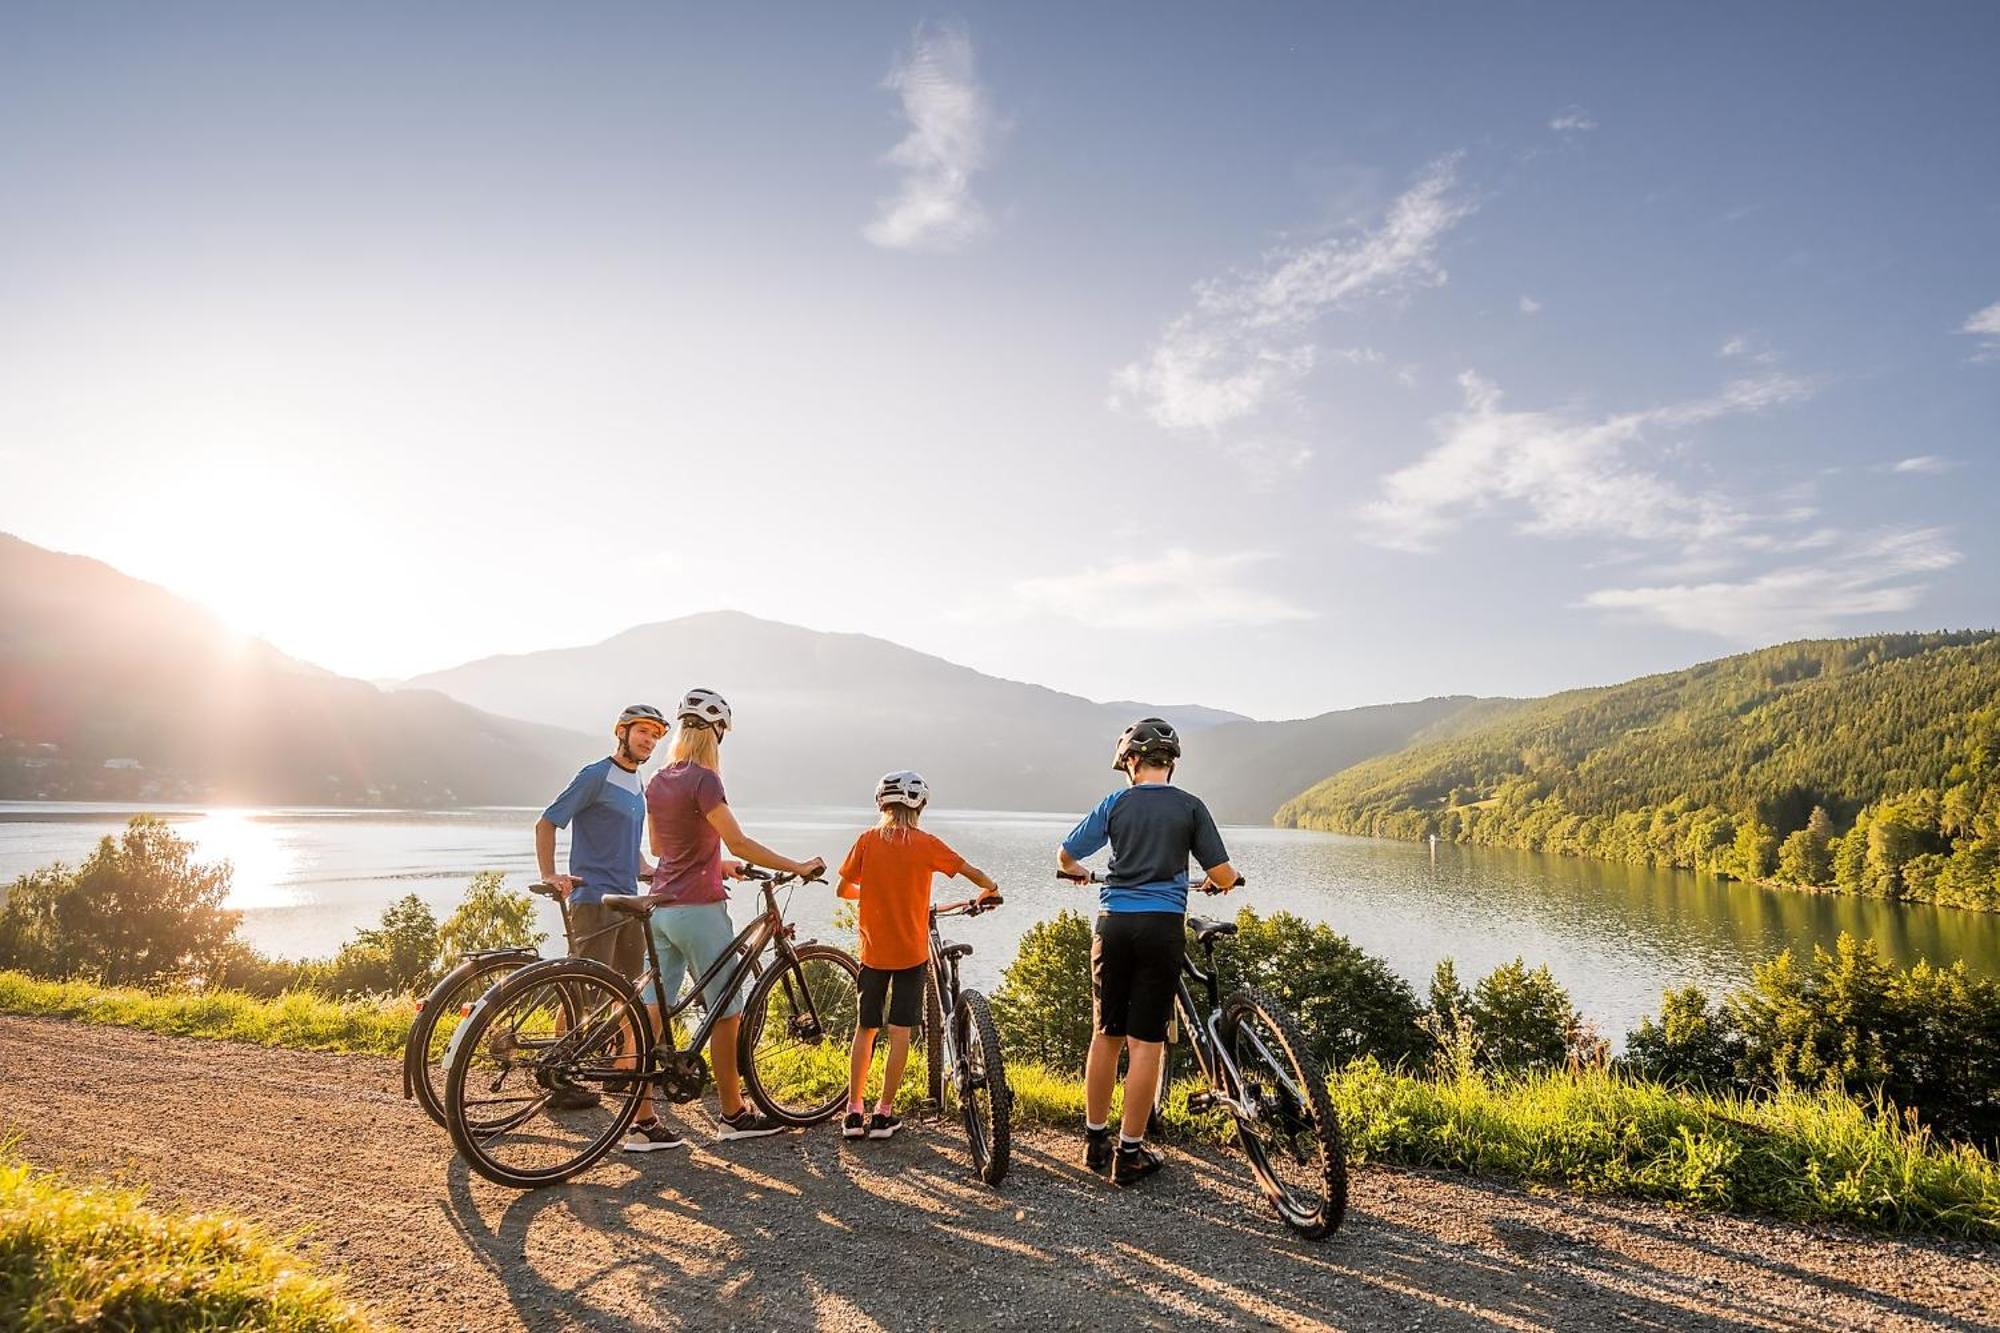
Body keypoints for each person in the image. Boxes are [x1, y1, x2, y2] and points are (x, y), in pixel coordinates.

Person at [623, 687, 828, 1150]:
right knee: (727, 1011)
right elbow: (739, 842)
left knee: (654, 1008)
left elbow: (661, 849)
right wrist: (795, 866)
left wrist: (712, 861)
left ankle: (642, 1121)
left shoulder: (658, 779)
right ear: (716, 734)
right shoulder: (704, 780)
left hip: (661, 907)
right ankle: (733, 1114)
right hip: (699, 909)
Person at [1057, 717, 1238, 1186]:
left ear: (1129, 762)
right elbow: (1221, 874)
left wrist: (1080, 872)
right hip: (1161, 928)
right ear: (1170, 764)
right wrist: (1225, 884)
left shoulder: (1116, 803)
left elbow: (1066, 856)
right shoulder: (1190, 808)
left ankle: (1095, 1142)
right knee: (1146, 1043)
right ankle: (1129, 1154)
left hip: (1113, 926)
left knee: (1106, 1035)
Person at [835, 771, 999, 1141]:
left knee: (866, 1029)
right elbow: (971, 872)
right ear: (920, 806)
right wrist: (991, 888)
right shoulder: (927, 844)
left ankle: (853, 1111)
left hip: (872, 953)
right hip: (911, 954)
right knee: (899, 1032)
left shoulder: (866, 841)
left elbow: (844, 889)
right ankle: (883, 1114)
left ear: (882, 804)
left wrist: (878, 892)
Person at [534, 703, 665, 1110]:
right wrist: (551, 874)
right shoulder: (595, 775)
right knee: (582, 990)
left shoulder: (637, 783)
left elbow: (627, 844)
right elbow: (547, 822)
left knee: (625, 991)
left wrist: (648, 869)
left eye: (655, 736)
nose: (648, 741)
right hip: (593, 899)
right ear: (622, 732)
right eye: (642, 732)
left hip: (627, 900)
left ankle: (617, 1069)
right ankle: (557, 1073)